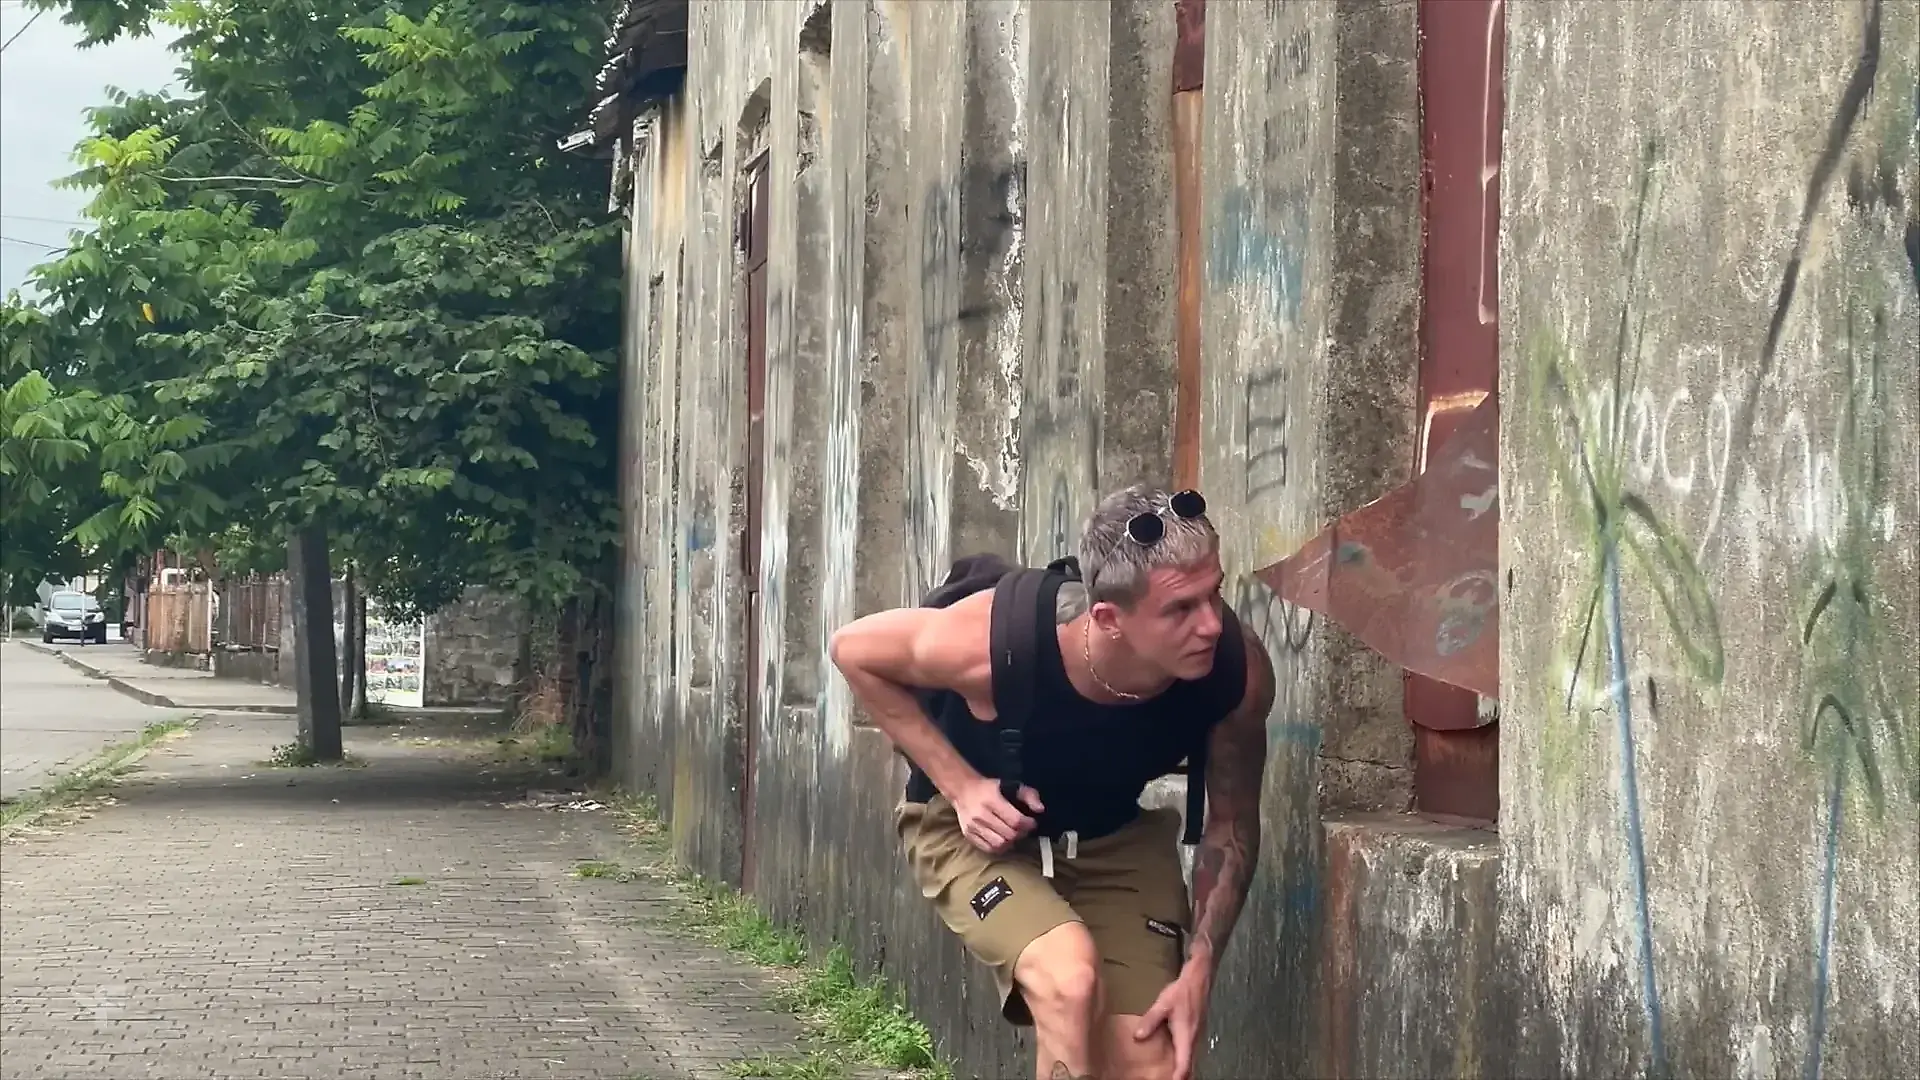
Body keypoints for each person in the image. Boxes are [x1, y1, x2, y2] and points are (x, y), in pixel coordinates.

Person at [829, 484, 1275, 1080]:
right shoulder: (1001, 643)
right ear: (1109, 619)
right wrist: (961, 786)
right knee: (1069, 980)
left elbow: (1232, 826)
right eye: (1180, 609)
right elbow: (853, 650)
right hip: (975, 835)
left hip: (1114, 840)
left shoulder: (1235, 673)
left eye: (1214, 593)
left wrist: (1200, 968)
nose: (1211, 625)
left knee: (1151, 1066)